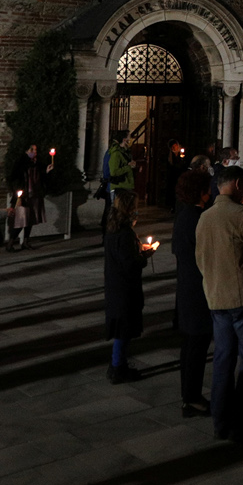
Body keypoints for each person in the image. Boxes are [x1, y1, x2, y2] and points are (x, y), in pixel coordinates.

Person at [195, 164, 243, 440]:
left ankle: (220, 419)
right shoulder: (241, 215)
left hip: (216, 296)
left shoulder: (205, 218)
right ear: (239, 185)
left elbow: (200, 258)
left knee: (223, 360)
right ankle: (240, 415)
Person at [170, 170, 213, 417]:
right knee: (196, 346)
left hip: (187, 287)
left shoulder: (184, 214)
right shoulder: (198, 218)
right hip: (197, 289)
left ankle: (188, 396)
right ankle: (192, 398)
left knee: (190, 346)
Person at [103, 190, 154, 383]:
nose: (137, 210)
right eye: (135, 206)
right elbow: (129, 263)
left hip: (116, 285)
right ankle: (118, 367)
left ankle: (118, 363)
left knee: (122, 328)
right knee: (124, 329)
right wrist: (144, 257)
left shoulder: (113, 229)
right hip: (124, 288)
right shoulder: (124, 233)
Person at [7, 143, 51, 250]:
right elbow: (14, 178)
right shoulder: (21, 163)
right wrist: (19, 195)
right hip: (24, 195)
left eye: (35, 150)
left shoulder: (37, 163)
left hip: (34, 195)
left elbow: (41, 177)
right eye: (31, 150)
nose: (34, 152)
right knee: (20, 219)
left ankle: (26, 241)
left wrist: (47, 171)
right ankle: (11, 242)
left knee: (30, 219)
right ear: (26, 151)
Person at [101, 126, 137, 232]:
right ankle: (109, 233)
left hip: (122, 185)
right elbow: (114, 171)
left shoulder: (123, 151)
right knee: (114, 211)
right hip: (117, 186)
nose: (130, 140)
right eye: (129, 137)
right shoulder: (115, 152)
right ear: (124, 139)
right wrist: (128, 167)